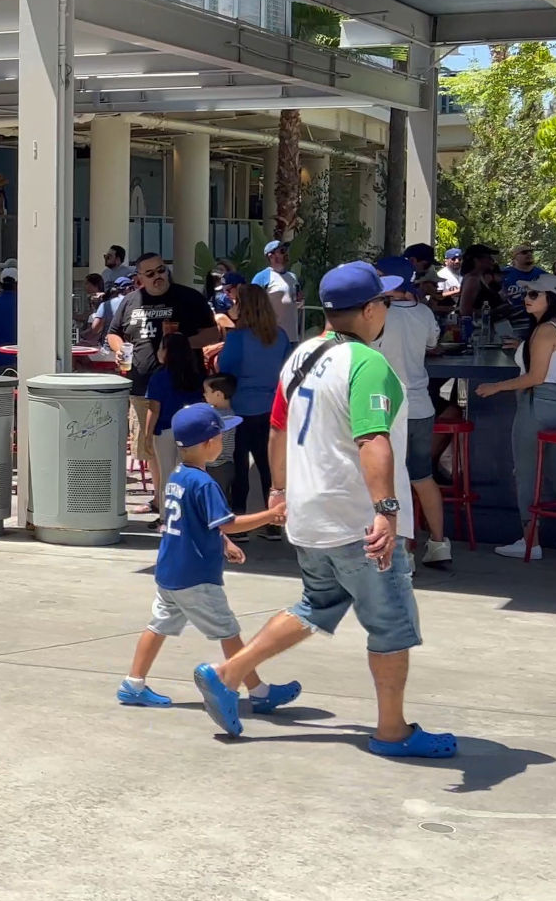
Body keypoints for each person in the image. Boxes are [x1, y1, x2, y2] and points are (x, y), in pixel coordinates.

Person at [194, 262, 452, 758]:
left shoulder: (302, 356)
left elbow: (277, 429)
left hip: (311, 517)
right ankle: (392, 731)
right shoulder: (367, 364)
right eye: (386, 303)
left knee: (317, 603)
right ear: (372, 309)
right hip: (356, 518)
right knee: (391, 624)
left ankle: (227, 674)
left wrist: (278, 492)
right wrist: (387, 509)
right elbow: (372, 439)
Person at [116, 404, 296, 711]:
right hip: (196, 576)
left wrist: (223, 542)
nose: (224, 442)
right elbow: (227, 521)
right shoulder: (205, 483)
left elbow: (200, 522)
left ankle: (133, 684)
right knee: (228, 632)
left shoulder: (178, 476)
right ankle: (259, 691)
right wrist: (270, 515)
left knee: (158, 625)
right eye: (221, 436)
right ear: (208, 444)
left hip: (170, 572)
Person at [477, 275, 556, 560]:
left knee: (526, 472)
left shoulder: (544, 330)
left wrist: (495, 387)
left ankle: (530, 540)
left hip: (538, 403)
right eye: (527, 293)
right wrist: (521, 345)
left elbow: (535, 377)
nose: (527, 298)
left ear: (551, 297)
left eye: (534, 294)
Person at [109, 253, 219, 474]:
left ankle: (187, 496)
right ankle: (160, 500)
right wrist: (119, 349)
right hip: (142, 388)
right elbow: (113, 334)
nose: (158, 276)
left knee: (190, 447)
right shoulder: (130, 301)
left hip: (184, 386)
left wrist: (180, 344)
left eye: (161, 270)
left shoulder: (189, 297)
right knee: (152, 451)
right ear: (139, 277)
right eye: (150, 273)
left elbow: (213, 334)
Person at [373, 257, 450, 569]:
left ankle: (402, 550)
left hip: (387, 407)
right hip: (421, 404)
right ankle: (438, 544)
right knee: (422, 477)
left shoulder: (378, 314)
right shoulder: (423, 311)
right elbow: (433, 342)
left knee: (390, 481)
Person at [215, 284, 292, 534]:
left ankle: (240, 524)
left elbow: (224, 369)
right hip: (270, 408)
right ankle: (274, 522)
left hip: (240, 408)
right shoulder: (279, 335)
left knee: (240, 468)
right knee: (268, 467)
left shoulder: (237, 338)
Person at [145, 333, 209, 507]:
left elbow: (154, 409)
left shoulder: (158, 377)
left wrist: (147, 435)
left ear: (167, 352)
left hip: (165, 430)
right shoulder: (197, 376)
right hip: (191, 431)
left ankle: (167, 517)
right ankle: (188, 514)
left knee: (167, 474)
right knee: (189, 473)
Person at [252, 239, 304, 340]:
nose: (286, 254)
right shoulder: (261, 277)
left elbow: (297, 303)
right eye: (282, 251)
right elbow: (252, 305)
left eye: (286, 251)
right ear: (270, 256)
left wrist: (300, 301)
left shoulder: (293, 277)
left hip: (292, 336)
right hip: (271, 337)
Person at [502, 244, 549, 333]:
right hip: (512, 325)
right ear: (514, 257)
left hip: (538, 323)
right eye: (524, 252)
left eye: (531, 252)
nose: (529, 254)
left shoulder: (543, 275)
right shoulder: (504, 274)